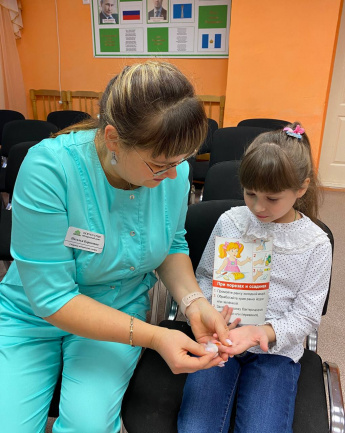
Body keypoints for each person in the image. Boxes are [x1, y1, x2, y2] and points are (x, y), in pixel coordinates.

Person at [0, 61, 235, 433]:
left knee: (88, 425)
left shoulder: (173, 171)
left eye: (181, 161)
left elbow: (172, 245)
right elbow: (52, 299)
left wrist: (194, 303)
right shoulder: (49, 168)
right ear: (113, 139)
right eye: (160, 165)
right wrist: (156, 337)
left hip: (116, 307)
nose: (174, 175)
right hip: (32, 314)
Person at [178, 123, 333, 433]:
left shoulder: (315, 244)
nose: (259, 207)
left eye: (272, 199)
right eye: (250, 194)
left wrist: (261, 332)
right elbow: (205, 276)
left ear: (301, 189)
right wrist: (210, 311)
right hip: (221, 339)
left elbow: (306, 316)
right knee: (196, 427)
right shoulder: (231, 222)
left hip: (275, 352)